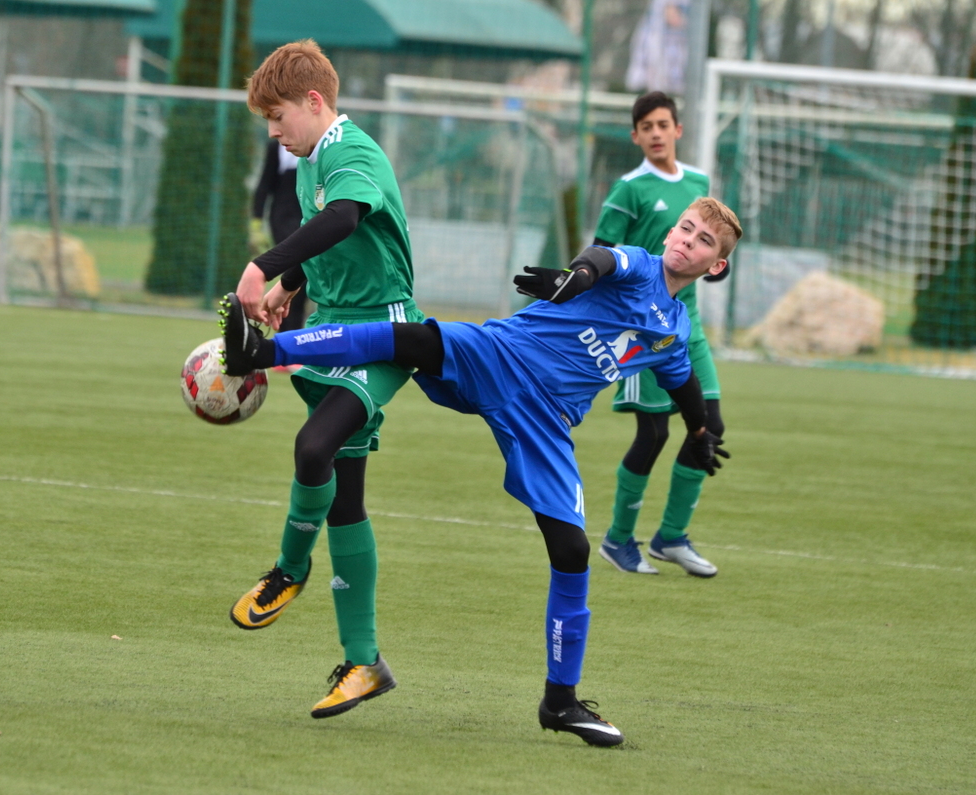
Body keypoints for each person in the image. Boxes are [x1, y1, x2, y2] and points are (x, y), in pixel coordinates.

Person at [222, 197, 742, 746]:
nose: (687, 240)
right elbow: (605, 259)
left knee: (572, 551)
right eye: (684, 228)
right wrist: (576, 276)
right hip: (503, 354)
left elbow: (682, 381)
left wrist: (701, 430)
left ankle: (560, 703)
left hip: (547, 420)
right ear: (668, 235)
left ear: (716, 267)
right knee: (410, 340)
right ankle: (263, 352)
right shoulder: (640, 264)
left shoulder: (674, 330)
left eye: (704, 241)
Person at [225, 39, 423, 720]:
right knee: (344, 498)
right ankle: (364, 662)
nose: (274, 132)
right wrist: (290, 285)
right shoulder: (312, 161)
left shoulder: (352, 151)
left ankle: (290, 566)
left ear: (314, 102)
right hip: (332, 326)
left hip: (382, 333)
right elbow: (332, 238)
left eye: (278, 117)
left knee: (314, 449)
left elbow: (344, 217)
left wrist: (261, 266)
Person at [592, 91, 728, 578]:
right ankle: (618, 540)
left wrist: (714, 267)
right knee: (653, 431)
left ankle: (671, 537)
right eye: (645, 126)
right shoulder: (628, 188)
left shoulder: (697, 183)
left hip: (687, 328)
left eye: (662, 124)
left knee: (710, 426)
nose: (654, 132)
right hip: (643, 330)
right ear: (635, 136)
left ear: (678, 130)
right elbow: (600, 251)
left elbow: (712, 243)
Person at [251, 139, 309, 335]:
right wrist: (256, 224)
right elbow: (265, 183)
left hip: (308, 218)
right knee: (293, 272)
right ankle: (285, 336)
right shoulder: (276, 146)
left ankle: (295, 337)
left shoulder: (321, 147)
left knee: (305, 279)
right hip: (282, 218)